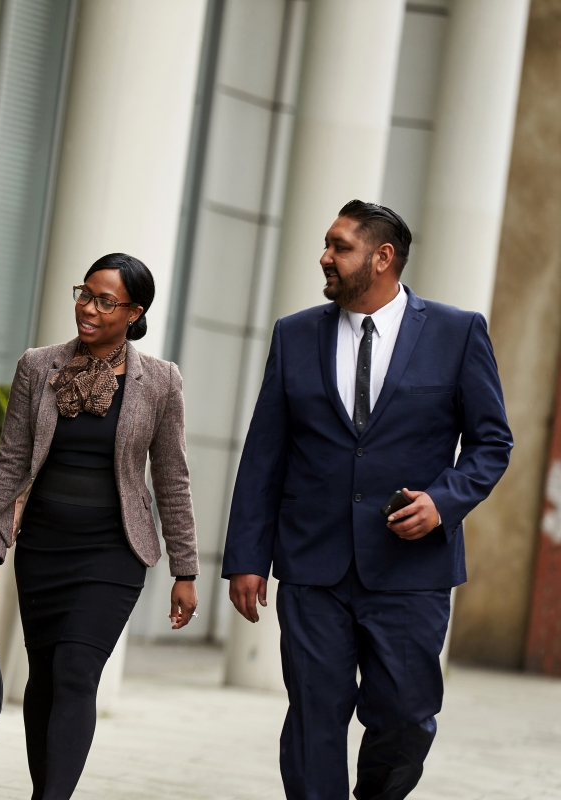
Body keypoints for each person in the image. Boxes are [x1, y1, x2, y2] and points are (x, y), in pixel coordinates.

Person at [223, 200, 513, 799]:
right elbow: (264, 454)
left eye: (340, 246)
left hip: (410, 569)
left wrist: (444, 501)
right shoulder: (295, 334)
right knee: (312, 718)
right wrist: (247, 556)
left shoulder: (457, 333)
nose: (325, 257)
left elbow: (492, 442)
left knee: (405, 719)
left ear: (382, 258)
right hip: (312, 565)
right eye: (327, 245)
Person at [0, 253, 199, 800]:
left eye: (104, 301)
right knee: (44, 680)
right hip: (45, 547)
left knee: (76, 671)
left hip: (113, 552)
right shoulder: (38, 365)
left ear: (134, 312)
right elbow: (13, 462)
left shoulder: (160, 382)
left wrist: (185, 568)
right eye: (84, 294)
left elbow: (172, 477)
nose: (87, 308)